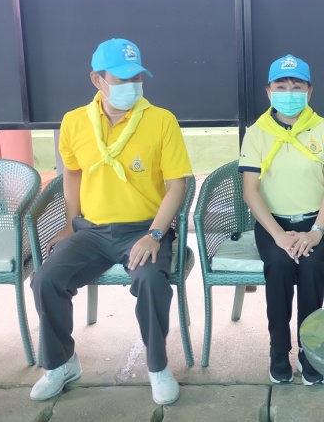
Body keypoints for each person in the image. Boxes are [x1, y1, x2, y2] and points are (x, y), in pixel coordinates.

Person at [30, 38, 192, 404]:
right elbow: (72, 173)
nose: (131, 85)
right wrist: (71, 222)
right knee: (45, 280)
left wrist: (155, 234)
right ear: (97, 80)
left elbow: (176, 185)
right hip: (92, 231)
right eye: (121, 78)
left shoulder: (161, 120)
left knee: (151, 280)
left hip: (144, 229)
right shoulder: (74, 122)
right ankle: (61, 364)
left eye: (137, 77)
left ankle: (157, 367)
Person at [238, 55, 324, 386]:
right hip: (273, 225)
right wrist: (279, 236)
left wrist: (315, 233)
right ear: (268, 91)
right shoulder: (256, 132)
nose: (289, 93)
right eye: (281, 87)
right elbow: (250, 191)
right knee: (280, 265)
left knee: (311, 268)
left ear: (309, 92)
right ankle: (279, 350)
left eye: (297, 87)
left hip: (316, 223)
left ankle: (311, 350)